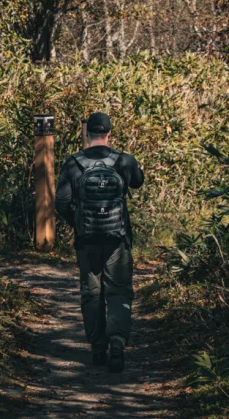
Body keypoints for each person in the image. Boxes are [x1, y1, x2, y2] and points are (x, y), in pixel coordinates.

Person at [55, 112, 144, 373]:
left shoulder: (73, 164)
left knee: (91, 293)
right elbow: (138, 183)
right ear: (109, 133)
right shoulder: (124, 160)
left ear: (87, 133)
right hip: (118, 239)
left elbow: (61, 203)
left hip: (87, 241)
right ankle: (117, 340)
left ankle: (97, 348)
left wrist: (79, 224)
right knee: (118, 290)